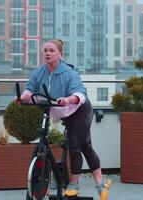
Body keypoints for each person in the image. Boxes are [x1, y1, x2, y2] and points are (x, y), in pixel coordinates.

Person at [20, 39, 111, 200]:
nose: (47, 53)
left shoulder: (69, 73)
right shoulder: (39, 72)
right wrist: (24, 97)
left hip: (79, 110)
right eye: (45, 50)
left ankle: (74, 186)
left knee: (75, 147)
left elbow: (81, 94)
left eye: (51, 50)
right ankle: (101, 184)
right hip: (63, 112)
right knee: (86, 147)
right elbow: (30, 89)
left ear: (60, 54)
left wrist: (69, 99)